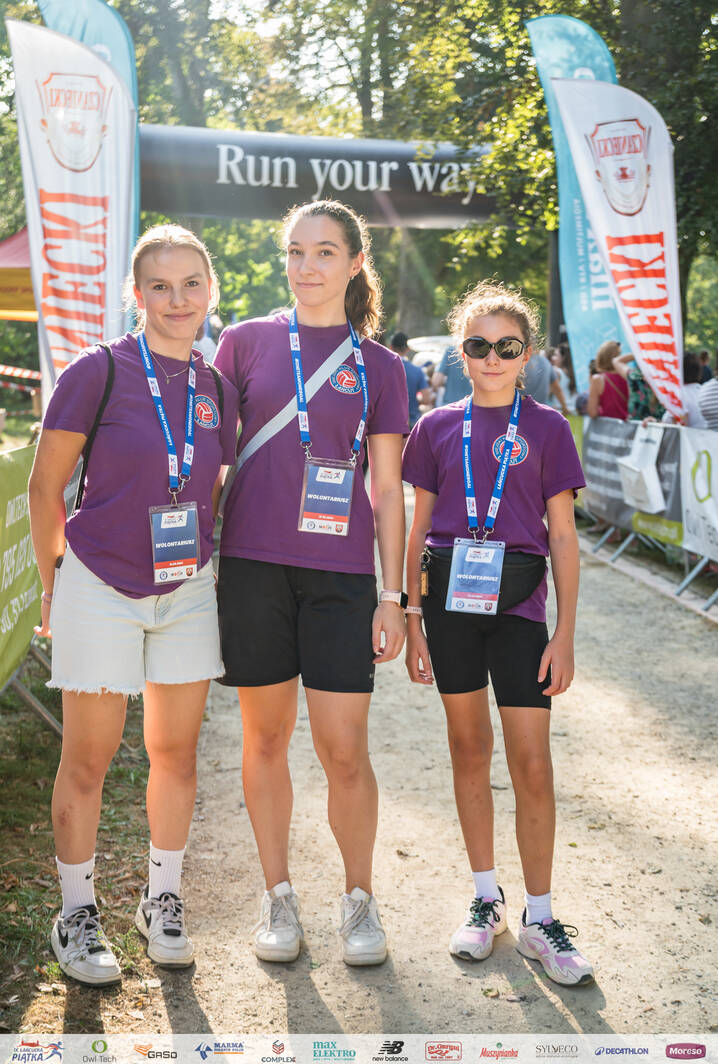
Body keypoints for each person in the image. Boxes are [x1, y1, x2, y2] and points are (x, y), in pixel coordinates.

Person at [28, 225, 238, 986]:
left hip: (186, 590)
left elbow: (209, 485)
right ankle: (76, 914)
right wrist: (55, 581)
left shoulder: (217, 389)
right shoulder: (100, 370)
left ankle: (162, 900)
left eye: (191, 284)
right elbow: (44, 487)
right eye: (160, 285)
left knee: (174, 754)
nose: (177, 300)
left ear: (210, 291)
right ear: (137, 294)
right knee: (89, 758)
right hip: (99, 584)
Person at [213, 199, 408, 966]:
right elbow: (207, 451)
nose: (307, 266)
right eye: (296, 251)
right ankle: (278, 896)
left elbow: (387, 489)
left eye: (325, 252)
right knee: (265, 739)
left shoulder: (381, 367)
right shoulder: (245, 342)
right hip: (253, 567)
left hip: (341, 576)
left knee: (344, 749)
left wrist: (392, 595)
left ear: (355, 263)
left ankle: (359, 900)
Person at [402, 280, 593, 988]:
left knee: (532, 763)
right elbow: (418, 530)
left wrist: (564, 633)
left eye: (506, 347)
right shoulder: (434, 428)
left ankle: (541, 917)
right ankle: (487, 899)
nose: (491, 357)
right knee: (467, 749)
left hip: (519, 613)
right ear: (462, 352)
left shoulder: (547, 427)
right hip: (449, 611)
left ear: (526, 354)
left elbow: (563, 536)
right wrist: (412, 619)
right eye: (478, 345)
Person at [390, 330, 431, 428]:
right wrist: (413, 400)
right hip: (413, 421)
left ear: (391, 347)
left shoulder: (385, 368)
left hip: (390, 421)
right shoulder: (417, 371)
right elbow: (426, 399)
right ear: (408, 349)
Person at [587, 341, 630, 419]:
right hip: (630, 423)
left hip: (608, 424)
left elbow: (593, 412)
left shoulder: (597, 379)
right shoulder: (628, 376)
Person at [433, 340, 472, 404]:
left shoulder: (451, 350)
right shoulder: (479, 350)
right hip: (471, 404)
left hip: (451, 403)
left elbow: (436, 381)